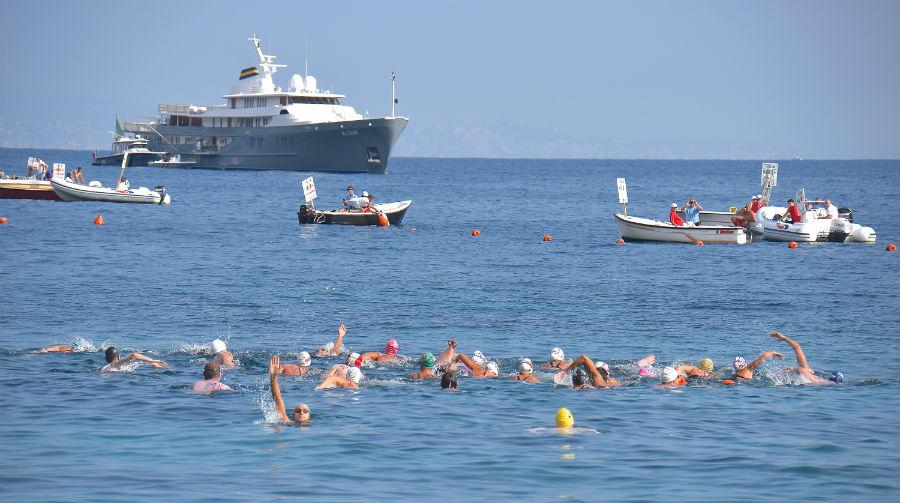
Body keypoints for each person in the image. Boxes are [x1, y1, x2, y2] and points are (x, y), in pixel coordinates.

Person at [768, 331, 834, 384]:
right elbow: (797, 347)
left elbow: (797, 347)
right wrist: (784, 338)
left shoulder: (805, 371)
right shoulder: (807, 372)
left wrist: (784, 338)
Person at [269, 355, 311, 425]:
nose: (301, 413)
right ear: (293, 415)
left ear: (309, 415)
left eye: (305, 411)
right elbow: (277, 399)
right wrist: (273, 378)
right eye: (298, 410)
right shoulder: (287, 422)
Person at [101, 346, 167, 372]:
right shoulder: (115, 364)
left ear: (105, 359)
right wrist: (152, 361)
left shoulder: (103, 368)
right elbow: (134, 355)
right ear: (118, 357)